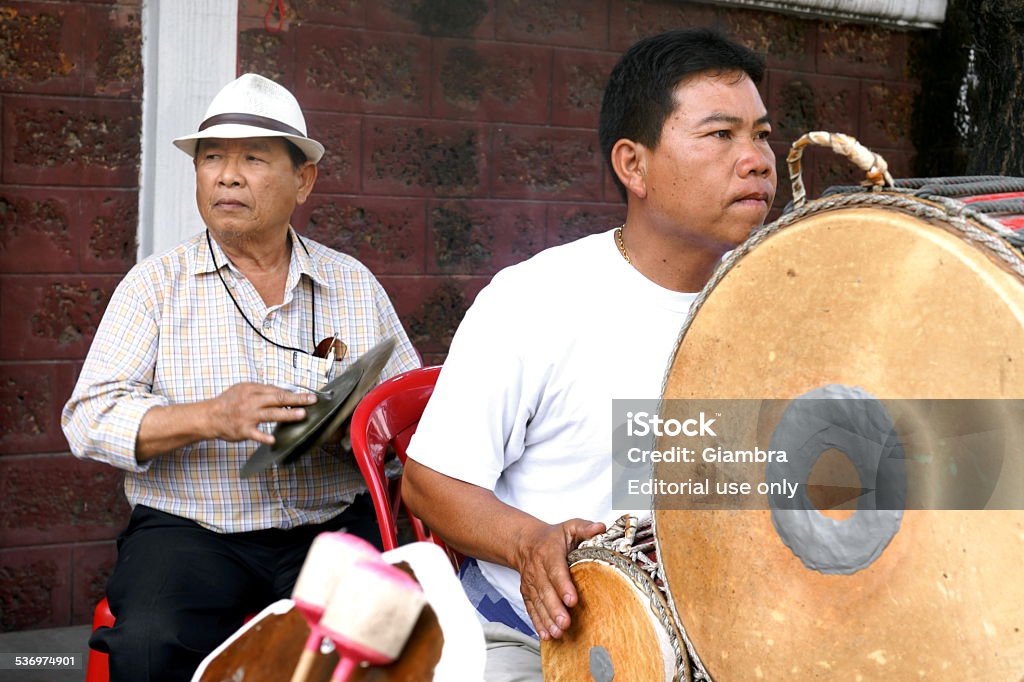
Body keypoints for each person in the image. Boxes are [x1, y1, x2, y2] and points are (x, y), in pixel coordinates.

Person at [402, 28, 776, 680]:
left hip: (715, 636)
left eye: (762, 134)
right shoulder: (537, 300)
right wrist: (527, 543)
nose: (756, 160)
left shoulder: (781, 299)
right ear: (633, 165)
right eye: (721, 135)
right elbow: (428, 483)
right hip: (542, 632)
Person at [62, 74, 419, 682]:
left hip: (329, 523)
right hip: (193, 533)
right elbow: (88, 419)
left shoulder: (352, 283)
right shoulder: (156, 286)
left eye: (252, 159)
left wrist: (353, 428)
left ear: (302, 180)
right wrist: (208, 416)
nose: (226, 176)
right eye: (212, 159)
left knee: (404, 633)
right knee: (151, 644)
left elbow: (410, 412)